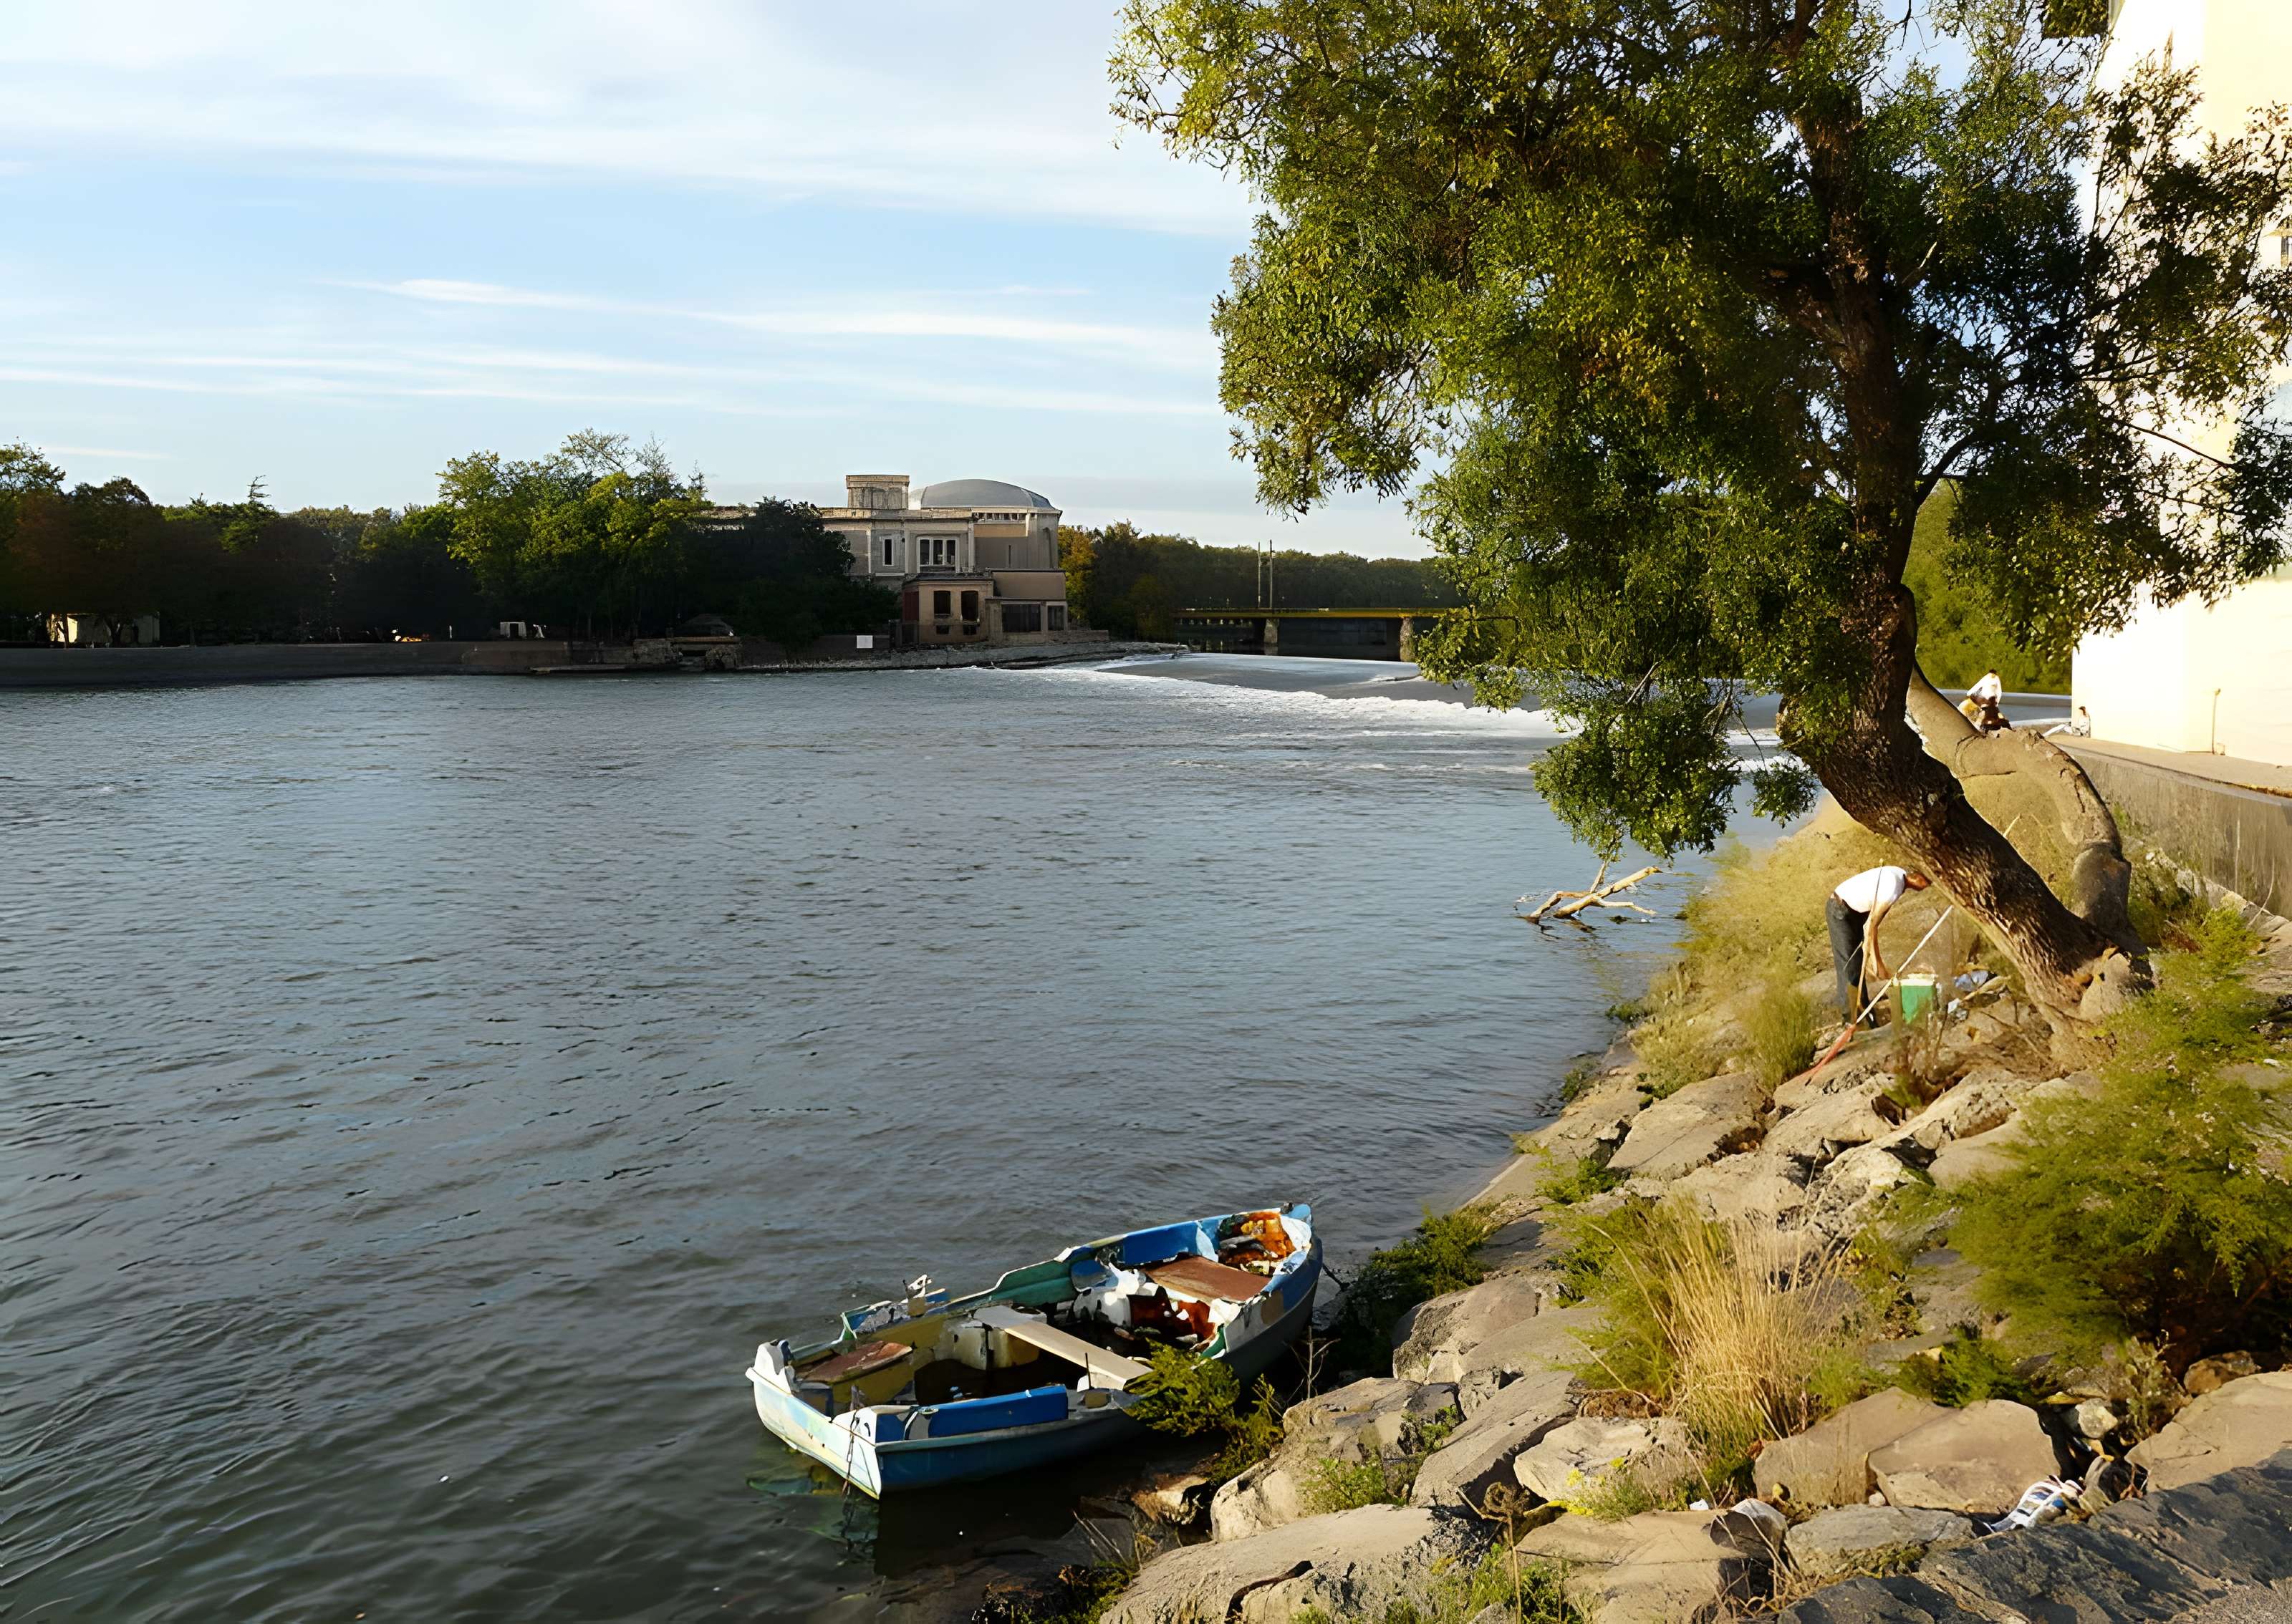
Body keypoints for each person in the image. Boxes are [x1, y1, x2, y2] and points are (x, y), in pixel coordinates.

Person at [1828, 864, 1930, 1025]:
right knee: (1850, 965)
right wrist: (1878, 964)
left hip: (1855, 912)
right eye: (1928, 882)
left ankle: (1865, 1013)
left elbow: (1871, 925)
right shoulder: (1894, 887)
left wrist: (1871, 957)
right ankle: (1853, 1020)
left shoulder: (1899, 875)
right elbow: (1871, 927)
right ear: (1918, 877)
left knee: (1858, 962)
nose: (1928, 886)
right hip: (1841, 910)